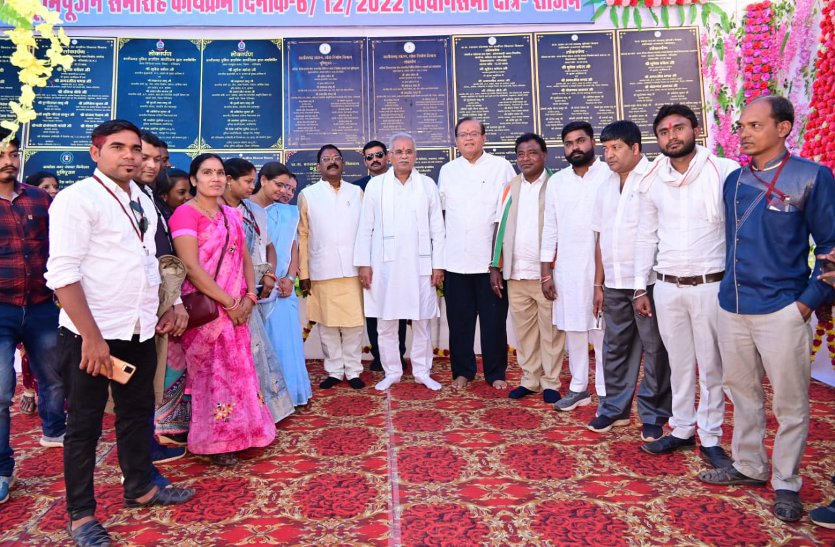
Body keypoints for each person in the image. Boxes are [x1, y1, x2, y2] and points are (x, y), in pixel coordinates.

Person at [45, 120, 194, 545]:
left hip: (139, 328)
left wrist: (170, 304)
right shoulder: (77, 199)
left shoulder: (142, 197)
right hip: (92, 335)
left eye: (136, 149)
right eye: (118, 147)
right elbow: (63, 274)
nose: (130, 156)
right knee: (84, 427)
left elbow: (150, 262)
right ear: (96, 153)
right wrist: (92, 338)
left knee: (136, 413)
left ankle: (140, 487)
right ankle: (81, 516)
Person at [698, 96, 835, 523]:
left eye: (755, 125)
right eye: (741, 126)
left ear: (784, 127)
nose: (744, 133)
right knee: (741, 393)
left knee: (790, 405)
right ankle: (749, 465)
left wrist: (807, 302)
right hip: (733, 305)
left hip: (783, 309)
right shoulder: (735, 180)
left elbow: (831, 247)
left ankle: (786, 482)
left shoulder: (811, 176)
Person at [635, 105, 739, 467]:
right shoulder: (651, 179)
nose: (672, 136)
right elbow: (646, 236)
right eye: (664, 132)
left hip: (711, 285)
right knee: (678, 363)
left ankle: (710, 436)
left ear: (695, 129)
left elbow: (737, 229)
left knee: (711, 367)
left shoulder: (724, 171)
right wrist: (639, 287)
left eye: (678, 128)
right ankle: (681, 429)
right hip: (667, 286)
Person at [166, 153, 276, 466]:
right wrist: (229, 303)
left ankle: (244, 433)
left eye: (219, 173)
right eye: (207, 172)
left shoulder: (231, 215)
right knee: (212, 377)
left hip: (238, 308)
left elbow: (245, 259)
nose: (214, 178)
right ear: (193, 179)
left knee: (239, 371)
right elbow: (190, 267)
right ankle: (216, 441)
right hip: (208, 311)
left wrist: (250, 297)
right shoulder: (185, 215)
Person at [587, 120, 672, 439]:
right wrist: (598, 284)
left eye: (616, 148)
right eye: (605, 149)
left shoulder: (655, 179)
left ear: (636, 148)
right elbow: (600, 238)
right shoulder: (605, 186)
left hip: (648, 282)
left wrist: (642, 286)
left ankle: (655, 414)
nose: (609, 155)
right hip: (614, 282)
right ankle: (614, 409)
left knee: (655, 350)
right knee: (614, 348)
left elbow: (655, 234)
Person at [0, 128, 66, 506]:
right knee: (0, 391)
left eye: (13, 154)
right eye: (2, 155)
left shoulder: (40, 199)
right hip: (1, 308)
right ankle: (2, 468)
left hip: (41, 305)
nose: (9, 161)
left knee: (53, 376)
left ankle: (55, 429)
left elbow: (60, 247)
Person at [354, 133, 445, 391]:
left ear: (415, 155)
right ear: (390, 156)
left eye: (409, 151)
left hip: (420, 266)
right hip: (385, 266)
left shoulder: (427, 185)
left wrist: (438, 265)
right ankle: (392, 371)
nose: (404, 156)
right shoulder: (376, 186)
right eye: (399, 151)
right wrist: (363, 264)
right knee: (386, 323)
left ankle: (422, 372)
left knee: (422, 321)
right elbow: (365, 227)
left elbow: (438, 228)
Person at [439, 117, 516, 390]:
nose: (469, 138)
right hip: (456, 261)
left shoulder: (501, 167)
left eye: (474, 133)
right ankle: (463, 372)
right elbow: (442, 215)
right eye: (463, 134)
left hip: (490, 264)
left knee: (494, 322)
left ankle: (496, 373)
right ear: (456, 141)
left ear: (484, 138)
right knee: (459, 323)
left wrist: (498, 261)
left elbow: (507, 215)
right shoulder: (448, 170)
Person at [490, 132, 565, 404]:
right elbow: (500, 226)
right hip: (516, 273)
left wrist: (552, 270)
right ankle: (530, 379)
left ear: (544, 155)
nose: (525, 158)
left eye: (532, 152)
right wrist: (495, 265)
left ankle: (551, 382)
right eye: (520, 154)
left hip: (547, 274)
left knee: (551, 331)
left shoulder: (558, 184)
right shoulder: (510, 187)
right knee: (524, 333)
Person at [540, 122, 608, 410]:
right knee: (574, 329)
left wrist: (601, 279)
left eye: (580, 141)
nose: (575, 148)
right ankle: (579, 387)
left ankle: (606, 391)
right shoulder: (557, 182)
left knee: (602, 331)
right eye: (568, 143)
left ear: (592, 142)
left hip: (602, 269)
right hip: (567, 268)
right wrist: (545, 272)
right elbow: (550, 228)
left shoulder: (609, 174)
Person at [222, 157, 294, 423]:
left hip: (253, 290)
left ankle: (264, 412)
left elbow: (269, 247)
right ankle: (238, 416)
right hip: (225, 292)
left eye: (253, 181)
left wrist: (270, 276)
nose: (251, 187)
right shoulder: (215, 210)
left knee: (257, 351)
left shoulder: (253, 211)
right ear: (229, 181)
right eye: (247, 181)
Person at [298, 145, 366, 390]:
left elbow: (366, 231)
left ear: (343, 164)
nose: (332, 162)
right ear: (319, 166)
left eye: (336, 158)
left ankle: (354, 370)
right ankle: (335, 371)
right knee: (327, 325)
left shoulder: (356, 192)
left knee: (354, 325)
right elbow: (302, 235)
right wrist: (304, 273)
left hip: (353, 270)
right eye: (326, 159)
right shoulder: (308, 194)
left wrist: (367, 265)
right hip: (322, 269)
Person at [259, 166, 313, 406]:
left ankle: (290, 395)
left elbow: (293, 248)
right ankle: (265, 401)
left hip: (283, 288)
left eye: (291, 189)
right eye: (281, 185)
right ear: (263, 181)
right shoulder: (246, 209)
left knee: (286, 344)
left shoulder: (290, 214)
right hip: (258, 286)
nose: (286, 192)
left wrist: (290, 278)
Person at [352, 140, 407, 372]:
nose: (374, 159)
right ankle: (378, 355)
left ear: (387, 156)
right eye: (369, 157)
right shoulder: (357, 188)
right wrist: (363, 261)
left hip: (399, 255)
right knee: (374, 308)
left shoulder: (403, 183)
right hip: (371, 256)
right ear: (365, 161)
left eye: (378, 155)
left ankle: (399, 355)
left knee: (398, 306)